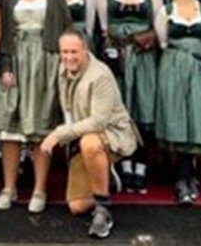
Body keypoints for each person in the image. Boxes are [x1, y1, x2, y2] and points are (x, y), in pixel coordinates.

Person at [39, 30, 138, 240]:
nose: (68, 57)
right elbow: (67, 111)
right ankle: (106, 178)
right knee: (77, 206)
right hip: (81, 139)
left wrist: (59, 134)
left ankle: (103, 209)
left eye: (74, 51)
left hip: (113, 136)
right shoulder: (63, 69)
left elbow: (98, 122)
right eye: (64, 52)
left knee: (90, 142)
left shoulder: (100, 75)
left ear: (85, 51)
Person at [0, 0, 67, 213]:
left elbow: (66, 28)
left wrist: (64, 62)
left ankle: (39, 188)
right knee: (9, 129)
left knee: (39, 127)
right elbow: (2, 32)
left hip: (45, 60)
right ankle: (9, 187)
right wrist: (4, 67)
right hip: (16, 58)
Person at [93, 0, 162, 193]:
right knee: (120, 114)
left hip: (143, 59)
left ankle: (141, 166)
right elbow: (103, 27)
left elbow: (159, 25)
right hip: (118, 60)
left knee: (144, 111)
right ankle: (124, 165)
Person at [154, 0, 201, 205]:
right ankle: (182, 178)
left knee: (195, 117)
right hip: (173, 67)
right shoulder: (166, 10)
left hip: (197, 68)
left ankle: (191, 174)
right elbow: (162, 41)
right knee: (177, 118)